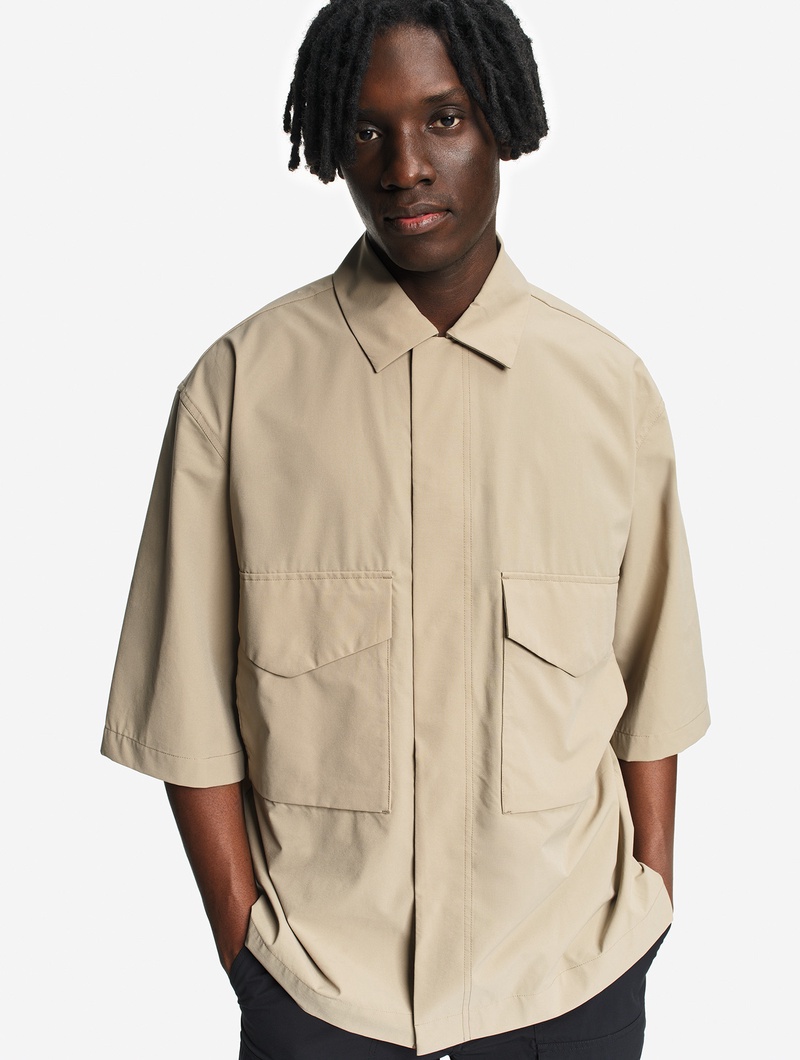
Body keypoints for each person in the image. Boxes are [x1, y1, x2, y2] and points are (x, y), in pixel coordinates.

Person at [101, 1, 710, 1057]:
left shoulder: (608, 392)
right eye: (367, 129)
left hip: (568, 983)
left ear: (502, 123)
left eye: (443, 118)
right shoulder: (236, 392)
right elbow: (183, 708)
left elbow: (654, 689)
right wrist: (248, 951)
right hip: (323, 998)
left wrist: (647, 902)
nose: (406, 166)